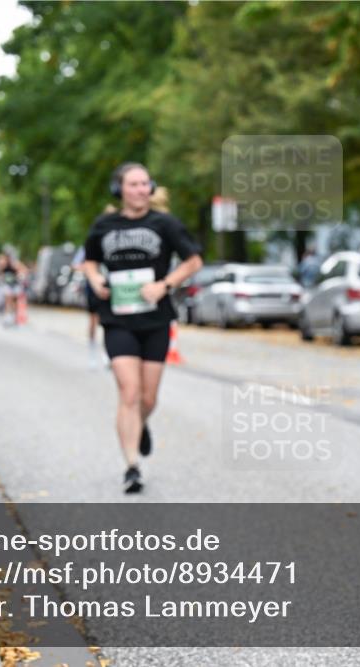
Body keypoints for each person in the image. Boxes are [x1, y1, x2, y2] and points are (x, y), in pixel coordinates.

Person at [82, 163, 203, 493]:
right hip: (117, 318)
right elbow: (89, 259)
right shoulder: (104, 225)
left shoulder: (165, 224)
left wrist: (165, 284)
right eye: (132, 184)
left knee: (148, 397)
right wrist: (95, 279)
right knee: (129, 392)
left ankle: (141, 423)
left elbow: (193, 261)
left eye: (144, 184)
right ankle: (132, 466)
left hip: (155, 320)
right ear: (119, 189)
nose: (139, 190)